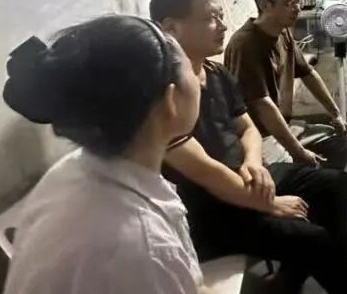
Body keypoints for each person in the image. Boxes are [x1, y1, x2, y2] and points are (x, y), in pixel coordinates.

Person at [150, 0, 347, 294]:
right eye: (210, 18)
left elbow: (247, 127)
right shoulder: (165, 98)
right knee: (312, 236)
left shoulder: (215, 74)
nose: (223, 25)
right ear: (171, 28)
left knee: (339, 186)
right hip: (213, 212)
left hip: (251, 180)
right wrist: (268, 202)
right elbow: (205, 173)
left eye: (221, 16)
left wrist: (253, 163)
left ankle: (331, 277)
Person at [3, 15, 206, 294]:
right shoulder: (143, 250)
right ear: (171, 101)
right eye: (191, 70)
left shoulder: (72, 171)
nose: (198, 80)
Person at [224, 0, 347, 170]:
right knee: (316, 175)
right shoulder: (246, 45)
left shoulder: (283, 33)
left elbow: (308, 73)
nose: (298, 8)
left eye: (298, 1)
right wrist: (298, 152)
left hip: (286, 127)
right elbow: (263, 105)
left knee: (345, 142)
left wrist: (335, 114)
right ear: (264, 4)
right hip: (260, 138)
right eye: (290, 3)